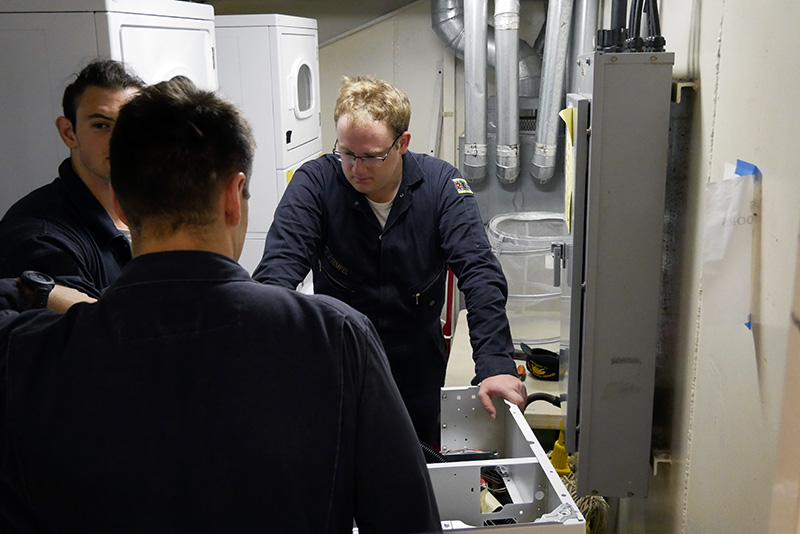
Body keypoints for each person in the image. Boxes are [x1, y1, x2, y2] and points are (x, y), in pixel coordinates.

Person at [0, 77, 441, 533]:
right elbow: (405, 520)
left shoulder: (27, 359)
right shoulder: (335, 337)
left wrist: (38, 290)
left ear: (121, 204)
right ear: (234, 197)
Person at [254, 75, 526, 447]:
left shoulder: (441, 186)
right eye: (347, 153)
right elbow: (279, 269)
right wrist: (257, 350)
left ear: (403, 144)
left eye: (371, 157)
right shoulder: (316, 183)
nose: (356, 168)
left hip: (416, 361)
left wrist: (495, 363)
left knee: (418, 463)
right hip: (340, 360)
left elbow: (478, 272)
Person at [0, 58, 144, 302]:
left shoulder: (156, 208)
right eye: (101, 125)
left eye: (133, 125)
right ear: (69, 133)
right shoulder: (40, 237)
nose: (121, 140)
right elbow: (89, 329)